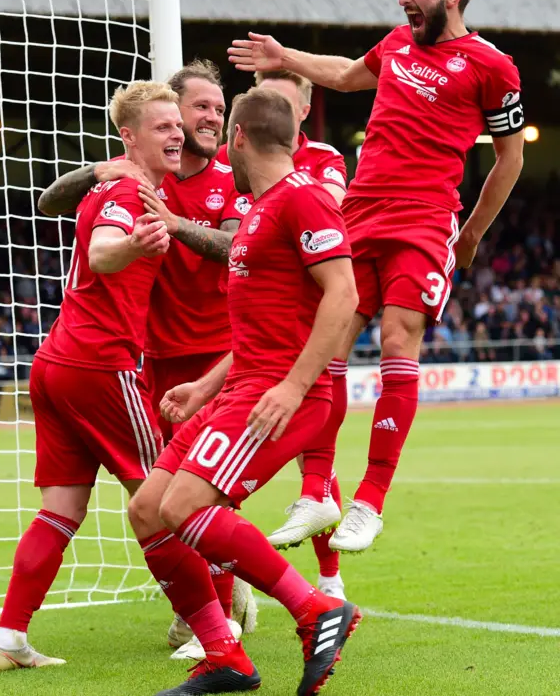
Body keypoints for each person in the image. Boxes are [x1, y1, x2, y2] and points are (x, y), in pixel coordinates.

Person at [229, 0, 524, 552]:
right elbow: (341, 73)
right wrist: (284, 57)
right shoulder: (395, 44)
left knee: (397, 337)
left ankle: (370, 501)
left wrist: (469, 234)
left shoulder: (492, 67)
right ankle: (317, 491)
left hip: (424, 217)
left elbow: (511, 158)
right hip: (360, 211)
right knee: (326, 338)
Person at [128, 87, 360, 696]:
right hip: (241, 389)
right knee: (148, 510)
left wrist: (293, 385)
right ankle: (224, 652)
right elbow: (263, 325)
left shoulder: (304, 200)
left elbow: (345, 295)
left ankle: (315, 610)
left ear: (236, 137)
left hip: (281, 397)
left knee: (183, 509)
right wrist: (204, 386)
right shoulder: (259, 209)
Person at [37, 60, 257, 654]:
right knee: (168, 490)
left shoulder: (231, 178)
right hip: (151, 359)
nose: (213, 118)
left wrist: (174, 225)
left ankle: (216, 615)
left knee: (199, 488)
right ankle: (211, 607)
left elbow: (240, 245)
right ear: (171, 115)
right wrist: (98, 170)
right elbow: (50, 203)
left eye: (219, 107)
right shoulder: (136, 177)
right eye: (202, 107)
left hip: (215, 355)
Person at [0, 81, 182, 672]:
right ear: (129, 138)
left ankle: (8, 639)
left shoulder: (112, 183)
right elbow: (102, 252)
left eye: (179, 124)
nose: (175, 133)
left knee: (60, 510)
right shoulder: (127, 188)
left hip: (57, 363)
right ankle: (213, 628)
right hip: (99, 364)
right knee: (167, 497)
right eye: (162, 126)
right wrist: (136, 244)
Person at [219, 70, 350, 598]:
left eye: (284, 96)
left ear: (299, 112)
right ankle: (239, 600)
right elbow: (231, 236)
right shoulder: (244, 177)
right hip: (244, 335)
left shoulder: (319, 169)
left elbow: (329, 244)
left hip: (294, 340)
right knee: (199, 487)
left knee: (201, 490)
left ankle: (326, 586)